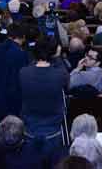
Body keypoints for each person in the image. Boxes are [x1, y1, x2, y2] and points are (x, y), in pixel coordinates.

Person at [19, 36, 70, 165]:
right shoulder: (60, 74)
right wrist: (57, 57)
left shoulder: (23, 72)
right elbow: (67, 83)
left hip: (30, 129)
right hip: (52, 130)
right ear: (54, 52)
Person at [0, 24, 30, 136]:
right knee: (13, 136)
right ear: (22, 37)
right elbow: (22, 78)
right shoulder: (21, 54)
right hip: (13, 102)